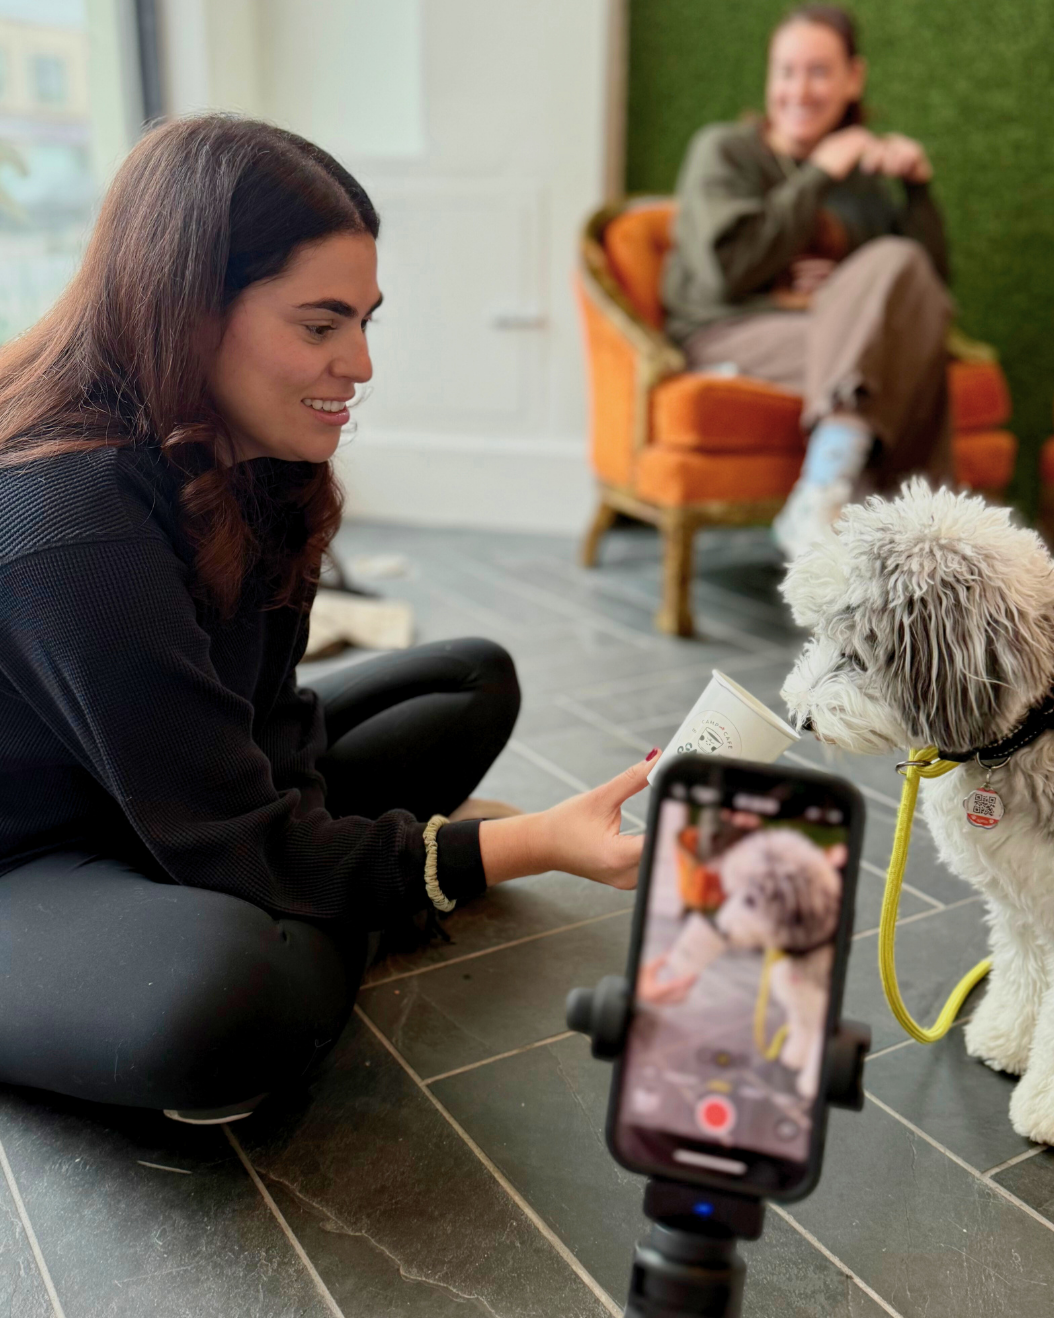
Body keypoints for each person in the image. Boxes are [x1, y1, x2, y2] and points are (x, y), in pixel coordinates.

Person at [0, 115, 655, 1124]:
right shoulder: (70, 518)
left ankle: (347, 901)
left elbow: (271, 736)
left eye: (364, 322)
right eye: (320, 327)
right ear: (188, 310)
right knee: (237, 1000)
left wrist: (313, 857)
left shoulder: (253, 457)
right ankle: (355, 906)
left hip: (172, 800)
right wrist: (519, 847)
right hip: (38, 854)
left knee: (470, 681)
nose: (360, 364)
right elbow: (237, 837)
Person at [662, 3, 953, 559]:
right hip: (728, 329)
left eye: (818, 72)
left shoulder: (865, 183)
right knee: (893, 349)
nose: (798, 90)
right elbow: (728, 271)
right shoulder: (724, 151)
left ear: (853, 78)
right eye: (786, 71)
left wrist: (916, 190)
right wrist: (819, 173)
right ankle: (896, 529)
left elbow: (926, 291)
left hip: (821, 331)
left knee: (899, 273)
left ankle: (857, 518)